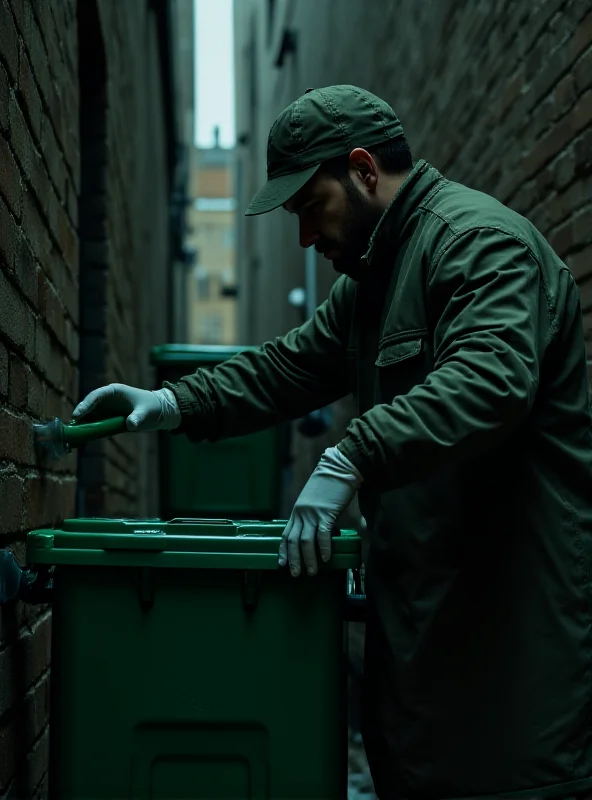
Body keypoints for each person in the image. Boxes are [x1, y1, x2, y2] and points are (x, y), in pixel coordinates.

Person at [73, 85, 592, 800]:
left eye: (308, 207)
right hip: (426, 658)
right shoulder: (374, 280)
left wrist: (351, 454)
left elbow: (492, 381)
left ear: (363, 169)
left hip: (513, 660)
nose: (303, 238)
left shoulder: (478, 243)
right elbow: (288, 365)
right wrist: (169, 403)